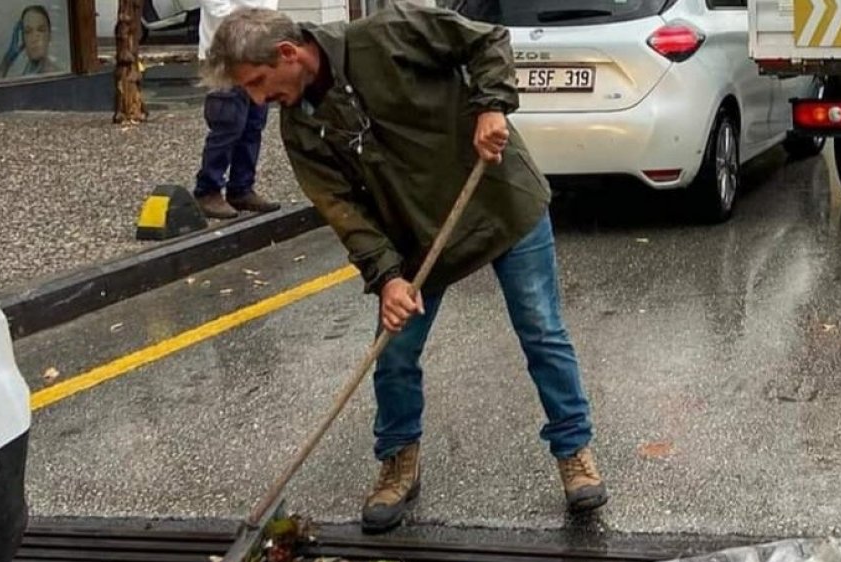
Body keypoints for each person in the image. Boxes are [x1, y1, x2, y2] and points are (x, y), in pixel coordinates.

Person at [199, 2, 608, 534]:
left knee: (541, 331)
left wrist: (491, 106)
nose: (258, 99)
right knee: (394, 352)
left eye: (258, 82)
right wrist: (388, 276)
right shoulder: (299, 126)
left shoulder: (388, 33)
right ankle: (398, 461)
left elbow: (486, 40)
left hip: (498, 200)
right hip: (414, 238)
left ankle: (574, 453)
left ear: (288, 53)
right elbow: (344, 210)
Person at [193, 0, 283, 219]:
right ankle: (208, 190)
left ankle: (241, 187)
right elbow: (215, 5)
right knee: (227, 124)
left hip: (256, 51)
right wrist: (248, 32)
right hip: (225, 52)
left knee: (253, 124)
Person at [0, 5, 62, 78]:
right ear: (22, 38)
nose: (34, 38)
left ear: (50, 35)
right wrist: (6, 61)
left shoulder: (57, 76)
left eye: (41, 30)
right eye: (28, 32)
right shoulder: (19, 73)